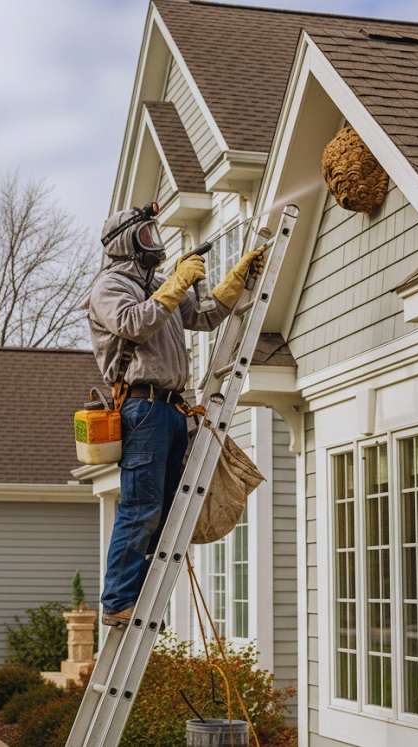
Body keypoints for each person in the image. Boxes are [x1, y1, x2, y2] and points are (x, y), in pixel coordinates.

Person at [87, 203, 265, 627]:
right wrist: (179, 281)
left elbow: (204, 316)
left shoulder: (161, 284)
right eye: (147, 235)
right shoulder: (109, 287)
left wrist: (235, 278)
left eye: (155, 234)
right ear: (127, 243)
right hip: (142, 408)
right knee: (141, 505)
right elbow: (134, 324)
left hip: (172, 410)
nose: (156, 243)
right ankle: (117, 602)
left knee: (168, 510)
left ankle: (142, 601)